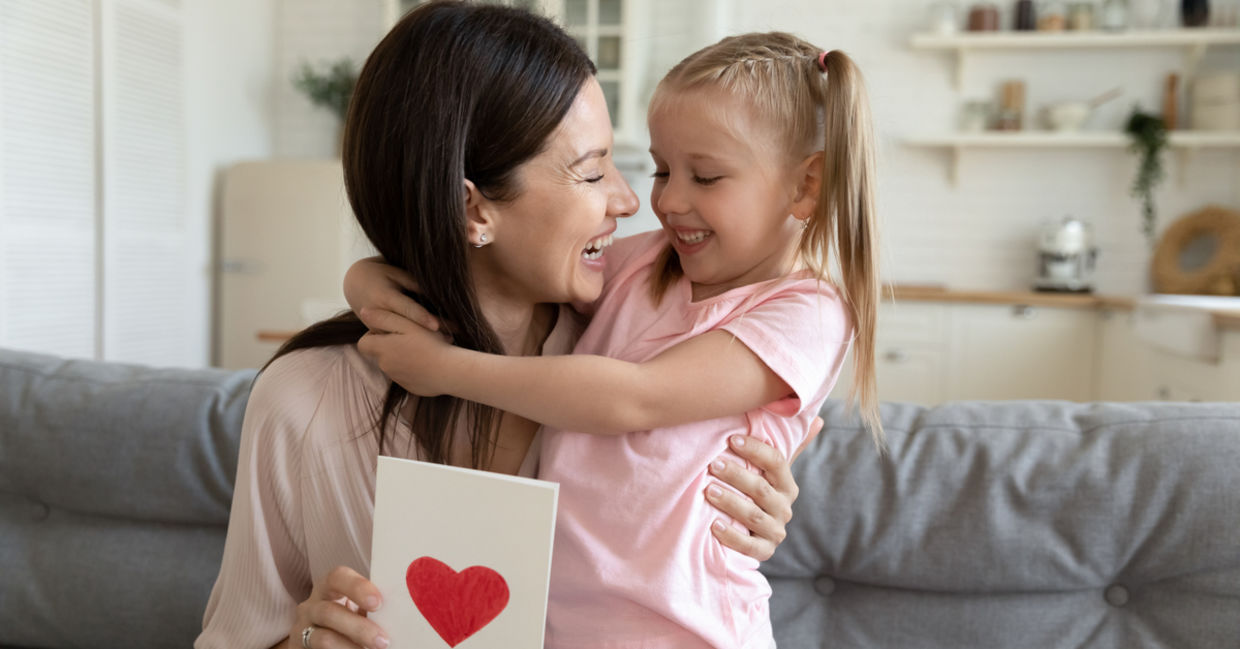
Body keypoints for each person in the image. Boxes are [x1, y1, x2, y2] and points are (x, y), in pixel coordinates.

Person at [195, 5, 808, 649]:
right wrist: (304, 643)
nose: (630, 203)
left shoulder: (630, 350)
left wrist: (754, 505)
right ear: (473, 208)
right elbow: (235, 635)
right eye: (593, 171)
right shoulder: (303, 401)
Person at [351, 31, 883, 649]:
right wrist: (365, 277)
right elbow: (518, 272)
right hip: (559, 625)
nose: (667, 200)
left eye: (706, 177)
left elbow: (633, 399)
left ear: (806, 186)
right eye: (662, 169)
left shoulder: (806, 313)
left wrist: (444, 368)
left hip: (686, 632)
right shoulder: (648, 263)